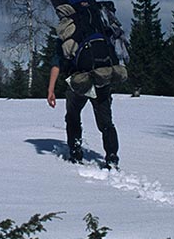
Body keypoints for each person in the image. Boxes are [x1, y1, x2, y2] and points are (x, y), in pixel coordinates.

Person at [47, 33, 120, 170]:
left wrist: (51, 90)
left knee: (73, 117)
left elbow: (57, 63)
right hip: (101, 80)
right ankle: (112, 158)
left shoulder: (67, 34)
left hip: (78, 81)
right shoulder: (99, 28)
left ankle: (75, 153)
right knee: (106, 123)